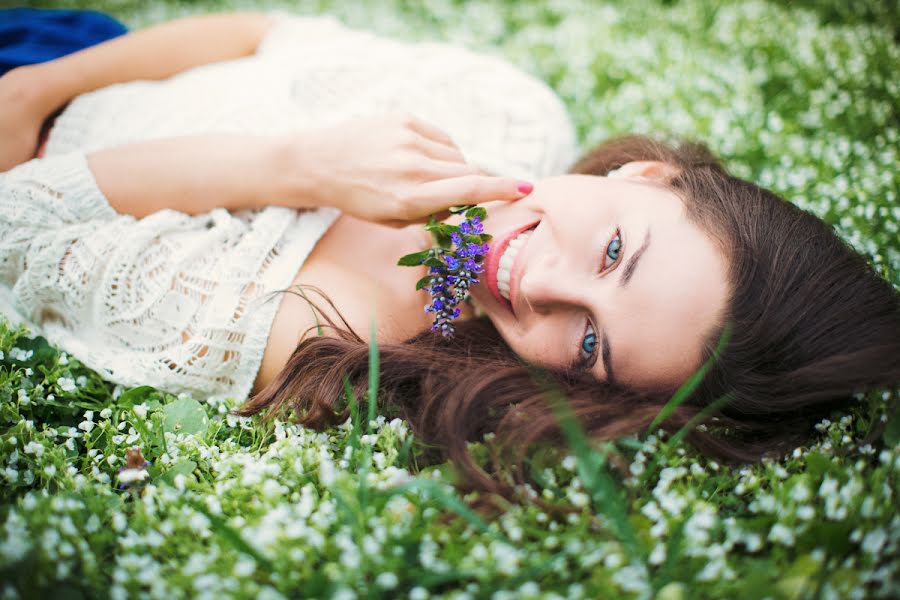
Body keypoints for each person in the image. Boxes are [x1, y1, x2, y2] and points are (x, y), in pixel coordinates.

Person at [1, 11, 898, 503]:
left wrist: (295, 164)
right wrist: (42, 77)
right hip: (77, 48)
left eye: (590, 345)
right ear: (649, 175)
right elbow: (258, 36)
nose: (537, 283)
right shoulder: (510, 113)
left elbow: (17, 224)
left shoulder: (332, 332)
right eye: (615, 249)